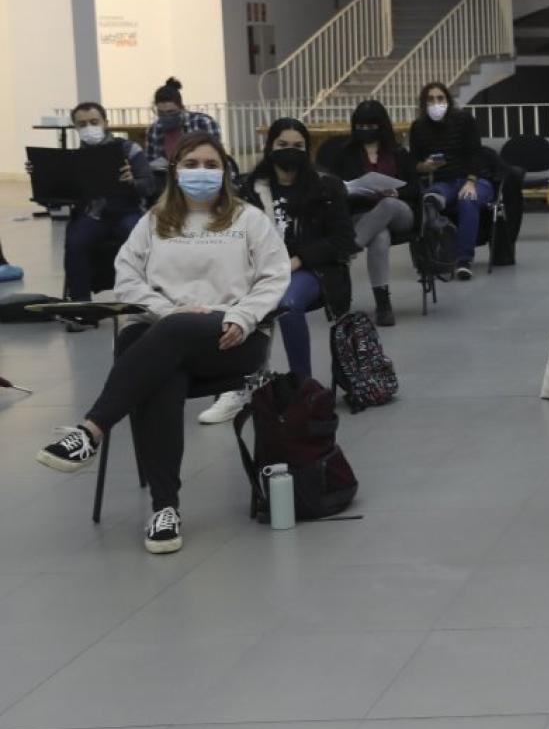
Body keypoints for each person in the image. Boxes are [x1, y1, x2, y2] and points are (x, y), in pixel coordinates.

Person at [36, 132, 289, 555]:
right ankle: (164, 511)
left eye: (212, 165)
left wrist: (242, 316)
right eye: (193, 164)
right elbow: (128, 280)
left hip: (229, 336)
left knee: (161, 343)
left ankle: (91, 430)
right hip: (161, 331)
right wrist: (167, 311)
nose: (203, 172)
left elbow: (274, 277)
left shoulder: (248, 219)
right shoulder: (154, 221)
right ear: (175, 170)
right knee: (163, 369)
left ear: (225, 171)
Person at [223, 119, 355, 413]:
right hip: (258, 270)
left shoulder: (326, 187)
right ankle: (241, 384)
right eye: (282, 145)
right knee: (228, 299)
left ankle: (302, 386)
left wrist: (300, 260)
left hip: (311, 270)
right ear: (269, 147)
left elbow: (343, 240)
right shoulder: (248, 189)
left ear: (307, 150)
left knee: (287, 303)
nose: (289, 151)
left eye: (297, 146)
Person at [326, 99, 419, 327]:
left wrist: (398, 192)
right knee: (380, 237)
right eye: (361, 126)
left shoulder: (398, 153)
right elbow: (336, 189)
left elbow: (416, 188)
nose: (365, 131)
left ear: (381, 125)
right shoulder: (345, 154)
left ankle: (348, 249)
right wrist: (355, 189)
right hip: (363, 213)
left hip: (400, 210)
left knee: (387, 205)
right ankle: (383, 303)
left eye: (371, 126)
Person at [59, 102, 156, 316]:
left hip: (128, 211)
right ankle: (81, 307)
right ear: (75, 127)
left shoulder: (129, 149)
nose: (89, 128)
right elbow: (59, 198)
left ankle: (147, 300)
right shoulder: (72, 159)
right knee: (76, 241)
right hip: (93, 215)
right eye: (82, 124)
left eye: (94, 122)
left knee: (137, 238)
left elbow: (149, 186)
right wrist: (42, 176)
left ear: (105, 123)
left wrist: (133, 181)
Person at [408, 81, 494, 280]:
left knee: (467, 199)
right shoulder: (418, 127)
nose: (436, 103)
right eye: (430, 99)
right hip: (443, 182)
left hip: (475, 180)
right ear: (423, 103)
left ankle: (464, 260)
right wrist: (424, 167)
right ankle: (435, 255)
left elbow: (476, 154)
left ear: (448, 100)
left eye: (440, 98)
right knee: (429, 199)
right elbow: (414, 163)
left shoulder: (464, 120)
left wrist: (471, 181)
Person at [143, 76, 220, 169]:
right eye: (161, 113)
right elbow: (150, 163)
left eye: (171, 112)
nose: (167, 117)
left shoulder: (203, 123)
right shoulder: (154, 130)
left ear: (182, 108)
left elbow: (215, 157)